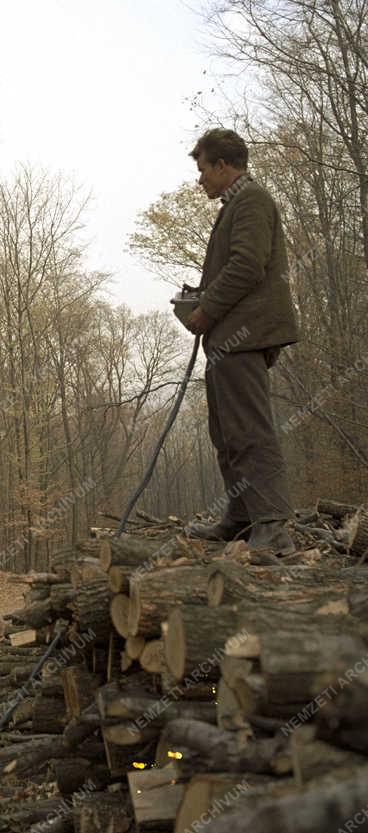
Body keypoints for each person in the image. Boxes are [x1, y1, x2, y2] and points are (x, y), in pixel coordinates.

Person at [183, 128, 300, 555]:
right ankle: (240, 518)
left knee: (250, 430)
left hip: (243, 337)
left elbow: (248, 266)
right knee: (226, 430)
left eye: (203, 171)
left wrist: (206, 309)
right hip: (228, 338)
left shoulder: (252, 200)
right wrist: (201, 299)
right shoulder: (237, 204)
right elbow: (236, 268)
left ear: (223, 165)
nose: (201, 181)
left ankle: (272, 526)